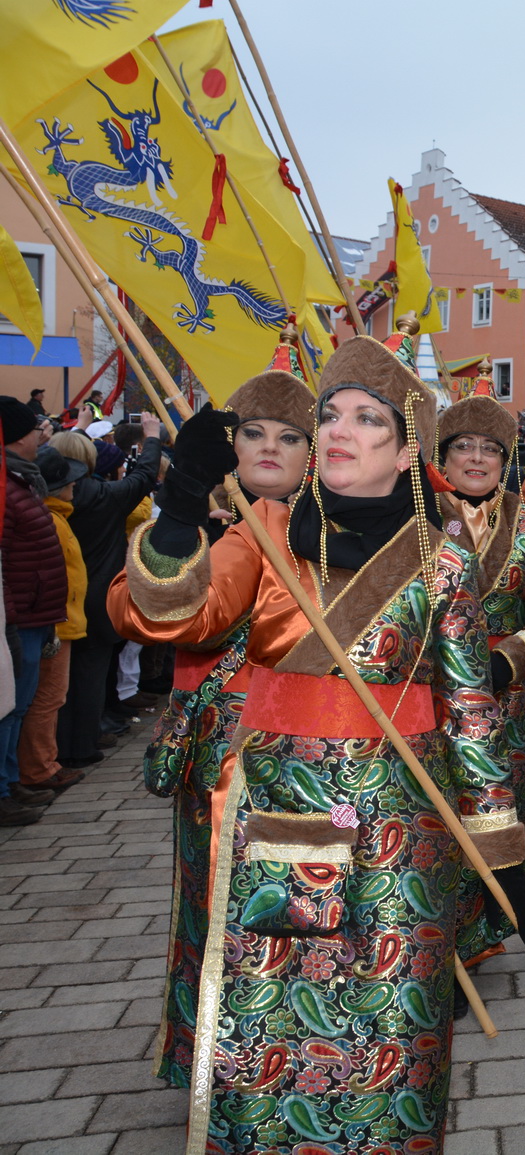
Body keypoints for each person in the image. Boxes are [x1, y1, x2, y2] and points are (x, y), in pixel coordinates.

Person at [109, 335, 525, 1151]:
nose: (338, 428)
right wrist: (182, 504)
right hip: (282, 823)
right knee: (274, 1031)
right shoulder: (267, 529)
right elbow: (164, 615)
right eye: (329, 412)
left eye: (367, 418)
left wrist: (500, 846)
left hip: (408, 836)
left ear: (408, 448)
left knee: (393, 1032)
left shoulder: (443, 554)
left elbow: (470, 705)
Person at [126, 352, 315, 1089]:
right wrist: (177, 511)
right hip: (222, 764)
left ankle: (284, 1062)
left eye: (289, 435)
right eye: (254, 431)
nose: (269, 445)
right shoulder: (223, 529)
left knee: (297, 917)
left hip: (307, 758)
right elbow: (149, 611)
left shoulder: (326, 531)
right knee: (221, 913)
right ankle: (224, 1073)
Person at [436, 395, 525, 971]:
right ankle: (438, 939)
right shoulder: (414, 519)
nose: (476, 459)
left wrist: (510, 658)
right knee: (440, 810)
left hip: (508, 699)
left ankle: (488, 933)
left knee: (502, 805)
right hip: (432, 694)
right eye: (463, 446)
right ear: (441, 456)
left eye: (490, 449)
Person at [58, 407, 162, 768]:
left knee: (62, 681)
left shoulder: (53, 493)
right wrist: (151, 438)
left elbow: (65, 453)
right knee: (88, 675)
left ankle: (69, 740)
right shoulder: (102, 497)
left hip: (63, 597)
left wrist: (79, 430)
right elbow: (146, 475)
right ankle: (81, 745)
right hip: (97, 598)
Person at [0, 397, 66, 824]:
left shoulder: (20, 479)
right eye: (32, 431)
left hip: (34, 613)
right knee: (8, 706)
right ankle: (3, 788)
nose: (39, 437)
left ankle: (11, 780)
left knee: (19, 706)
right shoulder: (7, 486)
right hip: (18, 617)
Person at [18, 445, 88, 797]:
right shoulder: (51, 519)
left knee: (50, 697)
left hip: (61, 620)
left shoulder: (57, 517)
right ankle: (39, 768)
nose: (74, 486)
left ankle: (44, 763)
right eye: (69, 481)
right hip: (54, 625)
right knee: (47, 697)